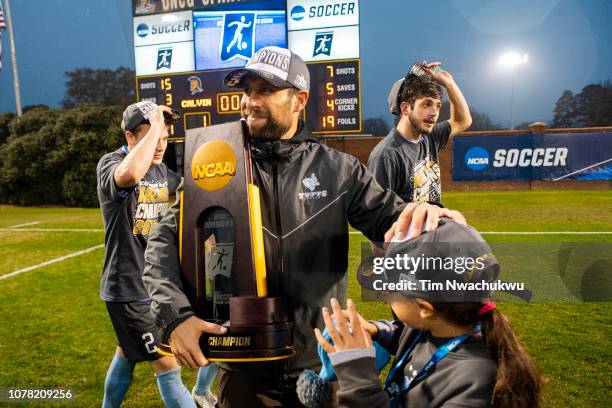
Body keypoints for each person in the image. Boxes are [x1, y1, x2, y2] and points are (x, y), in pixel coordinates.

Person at [142, 46, 467, 407]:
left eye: (265, 91)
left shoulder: (339, 169)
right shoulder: (217, 163)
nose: (251, 102)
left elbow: (391, 219)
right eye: (247, 91)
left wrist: (428, 220)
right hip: (241, 371)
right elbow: (163, 243)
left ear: (299, 100)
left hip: (321, 367)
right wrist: (175, 317)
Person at [316, 220, 543, 407]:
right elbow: (405, 336)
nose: (384, 297)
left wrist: (358, 378)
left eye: (388, 291)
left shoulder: (476, 385)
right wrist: (377, 331)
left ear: (424, 308)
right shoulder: (433, 328)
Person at [97, 101, 217, 408]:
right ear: (130, 138)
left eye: (165, 137)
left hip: (155, 285)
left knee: (127, 352)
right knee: (168, 366)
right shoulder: (111, 164)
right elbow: (128, 176)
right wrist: (152, 127)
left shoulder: (162, 171)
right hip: (128, 289)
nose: (161, 145)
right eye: (153, 137)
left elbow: (194, 193)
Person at [368, 62, 472, 204]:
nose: (434, 112)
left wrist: (449, 83)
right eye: (427, 104)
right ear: (405, 108)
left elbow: (463, 121)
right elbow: (377, 217)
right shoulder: (386, 156)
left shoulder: (429, 137)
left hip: (434, 225)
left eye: (438, 105)